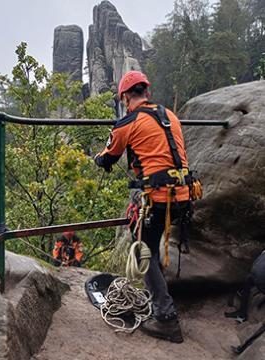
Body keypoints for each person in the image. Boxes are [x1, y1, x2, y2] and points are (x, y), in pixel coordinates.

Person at [94, 70, 194, 343]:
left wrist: (98, 157)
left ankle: (166, 317)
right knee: (151, 242)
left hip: (158, 198)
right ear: (147, 92)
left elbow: (108, 158)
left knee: (141, 252)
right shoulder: (169, 115)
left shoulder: (127, 122)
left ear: (125, 97)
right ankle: (158, 299)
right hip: (183, 195)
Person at [225, 250, 265, 322]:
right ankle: (242, 314)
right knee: (247, 281)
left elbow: (256, 262)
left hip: (255, 275)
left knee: (247, 280)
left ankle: (242, 315)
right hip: (257, 277)